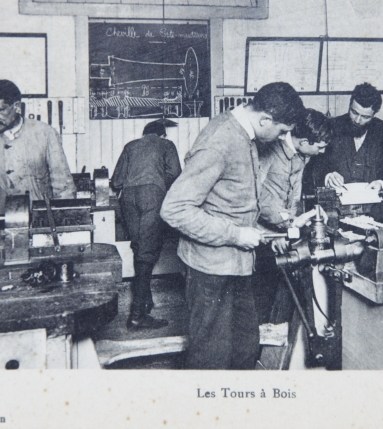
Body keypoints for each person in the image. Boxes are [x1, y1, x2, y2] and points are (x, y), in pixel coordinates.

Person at [160, 82, 305, 370]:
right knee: (211, 357)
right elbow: (174, 209)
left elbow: (239, 195)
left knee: (244, 347)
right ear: (266, 119)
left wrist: (274, 223)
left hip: (236, 265)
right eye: (282, 131)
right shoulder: (221, 140)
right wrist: (236, 234)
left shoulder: (246, 135)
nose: (282, 138)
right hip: (211, 270)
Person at [254, 109, 333, 323]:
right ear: (304, 141)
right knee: (260, 302)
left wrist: (296, 224)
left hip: (282, 235)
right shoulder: (268, 151)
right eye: (320, 147)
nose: (322, 152)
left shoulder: (302, 155)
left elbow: (292, 198)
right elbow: (255, 197)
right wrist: (281, 227)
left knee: (283, 303)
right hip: (259, 239)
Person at [0, 80, 76, 226]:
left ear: (16, 107)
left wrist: (65, 223)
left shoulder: (45, 134)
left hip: (41, 224)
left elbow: (63, 187)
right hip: (1, 226)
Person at [111, 120, 182, 330]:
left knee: (139, 248)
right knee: (147, 252)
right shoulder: (166, 145)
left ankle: (145, 300)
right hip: (152, 195)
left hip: (128, 199)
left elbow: (116, 181)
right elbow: (175, 174)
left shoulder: (130, 145)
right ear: (162, 135)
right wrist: (158, 185)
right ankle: (137, 315)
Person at [309, 82, 383, 220]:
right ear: (350, 104)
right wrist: (327, 176)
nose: (357, 120)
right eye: (354, 112)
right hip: (334, 214)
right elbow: (312, 168)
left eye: (365, 117)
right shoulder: (331, 127)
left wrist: (382, 183)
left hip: (375, 215)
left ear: (374, 114)